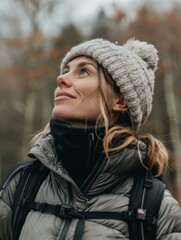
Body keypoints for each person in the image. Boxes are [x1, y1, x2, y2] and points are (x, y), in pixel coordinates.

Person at [0, 38, 181, 240]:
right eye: (65, 71)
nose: (62, 79)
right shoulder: (22, 184)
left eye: (83, 71)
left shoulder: (157, 207)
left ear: (121, 100)